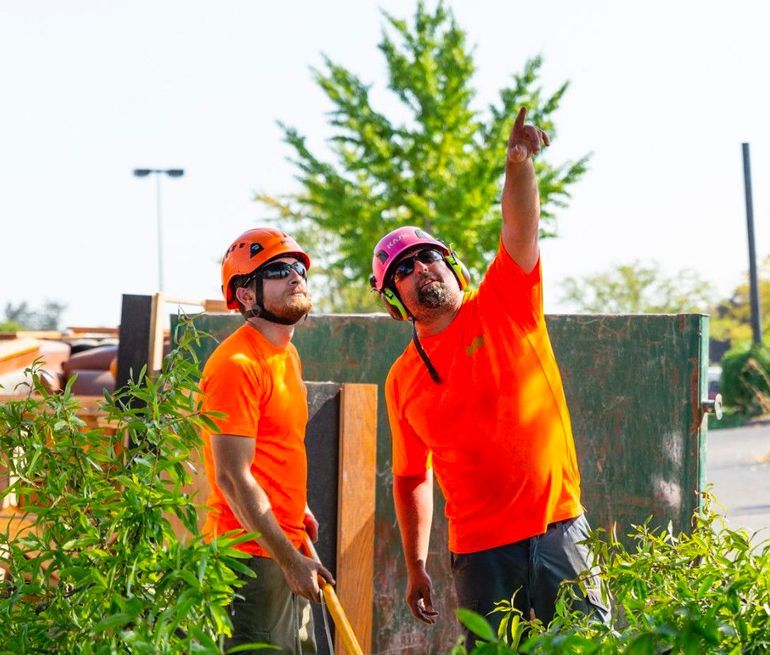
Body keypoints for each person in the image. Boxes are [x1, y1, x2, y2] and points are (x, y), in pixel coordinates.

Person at [369, 108, 609, 642]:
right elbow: (410, 477)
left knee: (593, 649)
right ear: (393, 302)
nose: (420, 269)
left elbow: (519, 224)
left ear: (451, 263)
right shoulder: (402, 379)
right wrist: (414, 565)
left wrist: (518, 164)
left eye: (428, 256)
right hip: (479, 555)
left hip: (560, 531)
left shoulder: (506, 299)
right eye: (402, 270)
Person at [200, 227, 333, 654]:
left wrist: (297, 509)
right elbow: (233, 479)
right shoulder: (237, 365)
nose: (295, 276)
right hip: (250, 558)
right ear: (245, 295)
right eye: (277, 270)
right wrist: (289, 560)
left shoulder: (286, 355)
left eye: (297, 267)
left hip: (281, 543)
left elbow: (276, 447)